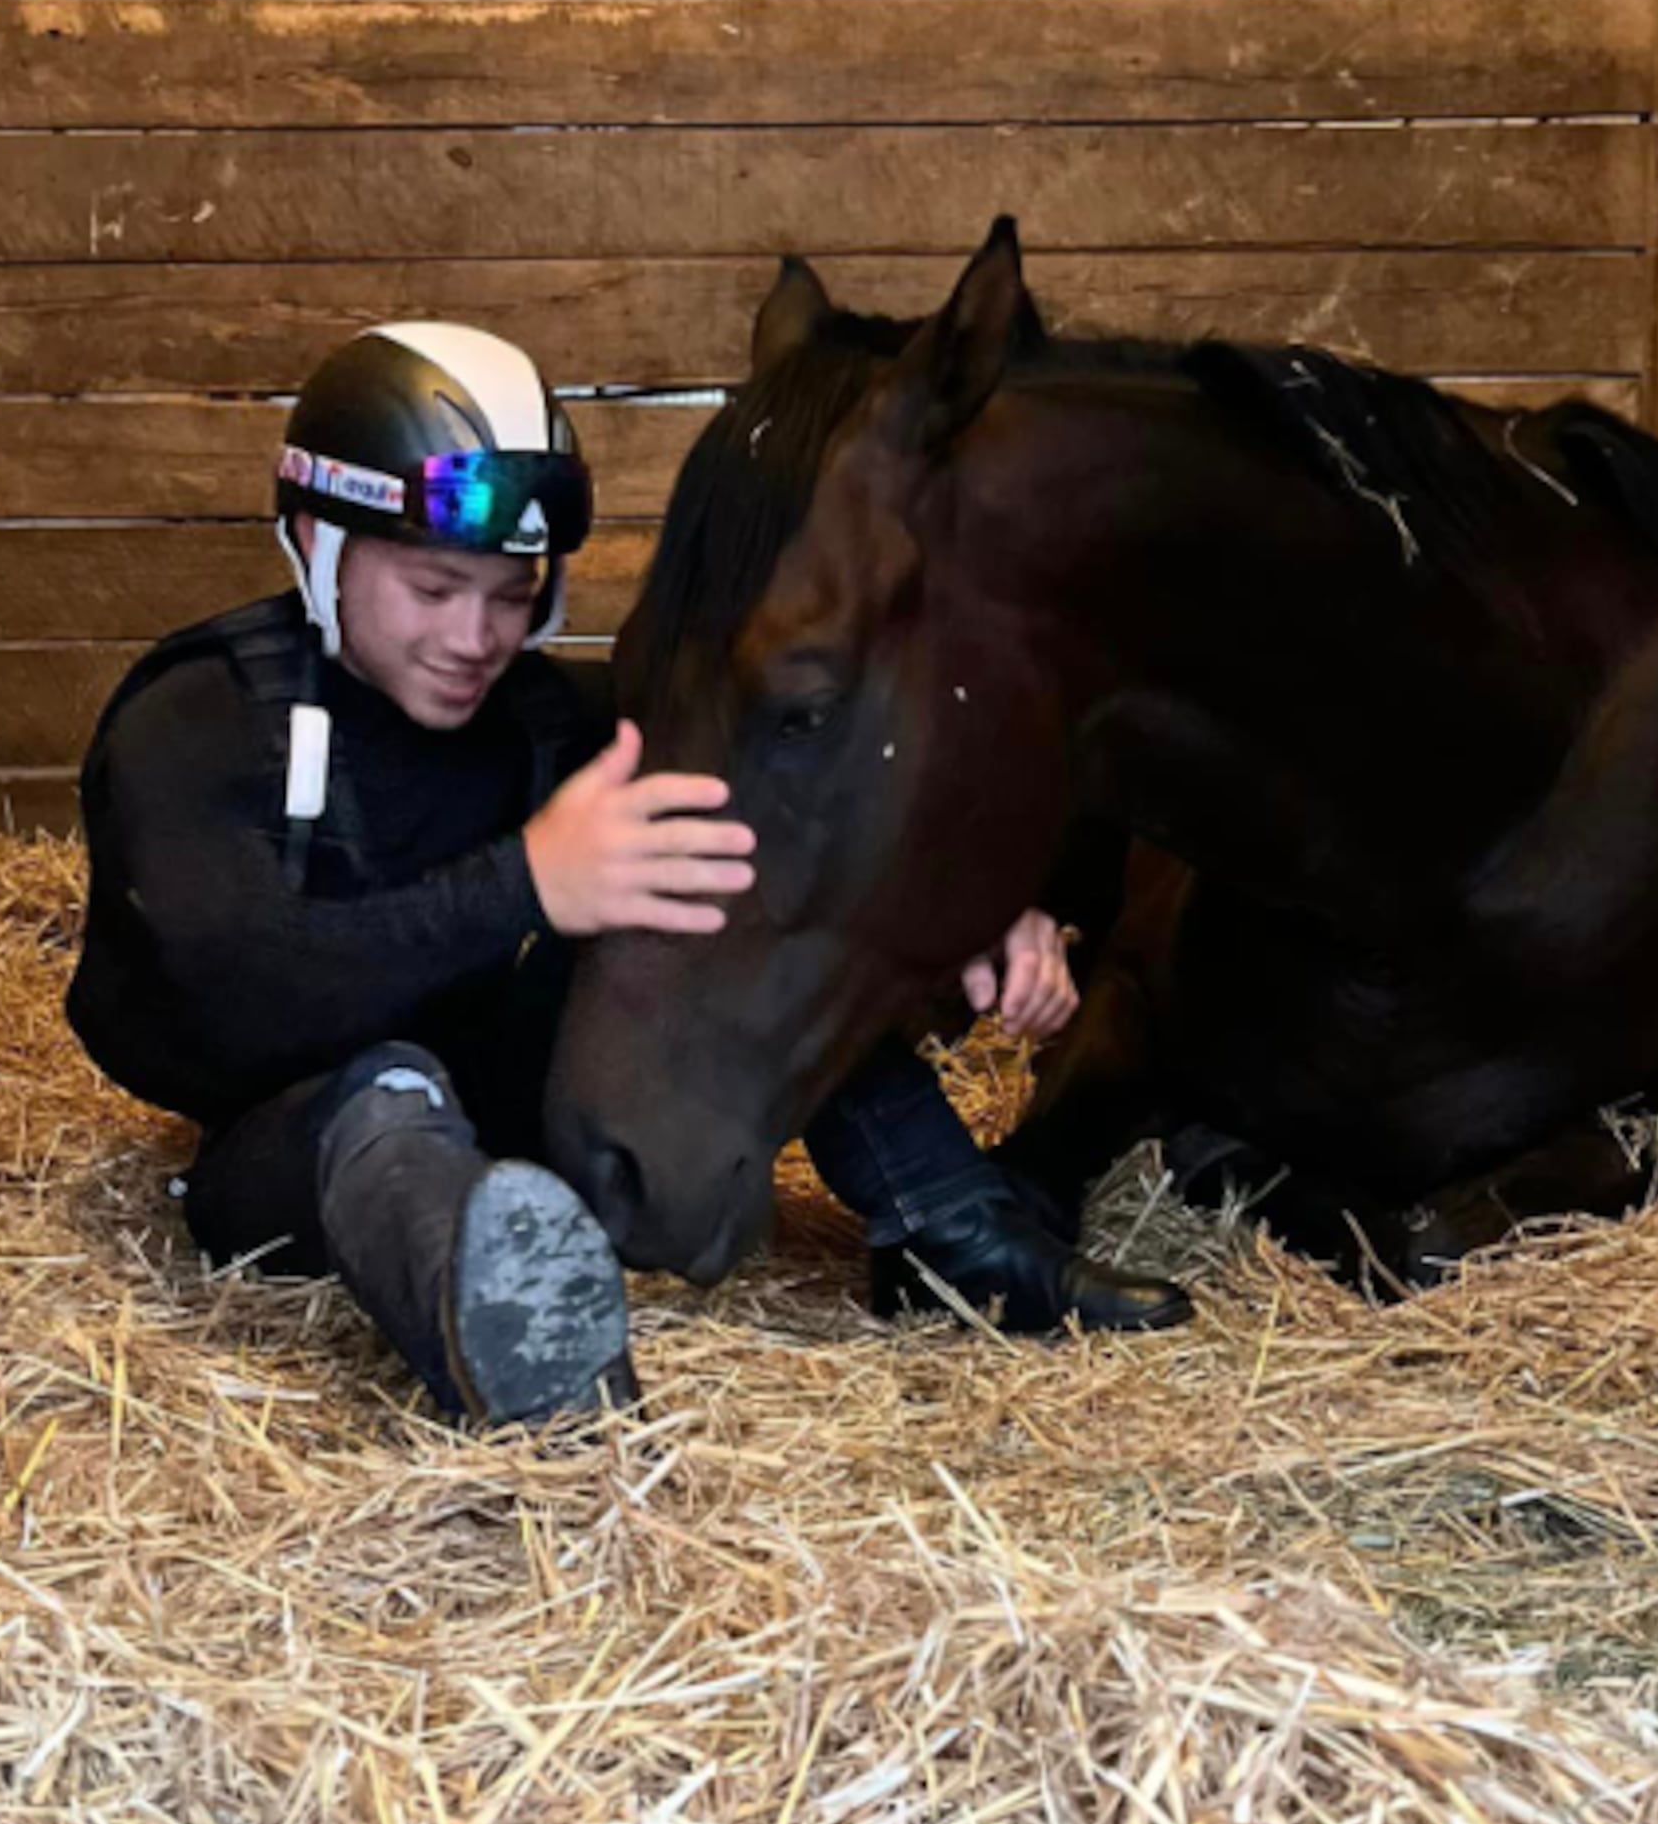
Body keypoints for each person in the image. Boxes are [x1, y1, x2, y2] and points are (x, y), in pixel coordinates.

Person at [65, 323, 1190, 1425]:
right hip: (308, 1154)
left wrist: (979, 904)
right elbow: (213, 1004)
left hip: (540, 1125)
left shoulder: (543, 719)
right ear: (319, 542)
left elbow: (806, 812)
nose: (477, 637)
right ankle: (516, 1351)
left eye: (512, 597)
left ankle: (957, 1237)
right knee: (387, 1082)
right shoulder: (208, 718)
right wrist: (528, 885)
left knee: (706, 875)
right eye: (433, 588)